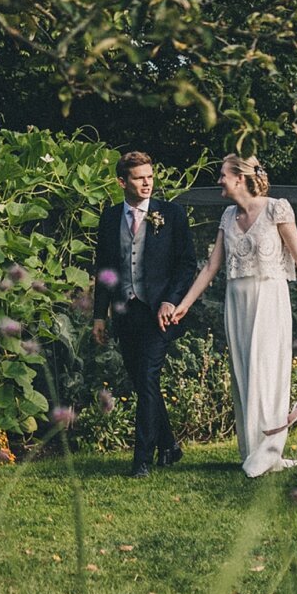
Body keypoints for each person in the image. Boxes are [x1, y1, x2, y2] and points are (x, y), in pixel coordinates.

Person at [162, 153, 297, 478]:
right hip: (237, 301)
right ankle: (253, 450)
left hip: (270, 298)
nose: (218, 180)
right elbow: (211, 267)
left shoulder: (277, 208)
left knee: (268, 371)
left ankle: (269, 451)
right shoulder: (227, 216)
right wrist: (185, 304)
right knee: (245, 371)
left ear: (239, 178)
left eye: (222, 174)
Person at [90, 151, 197, 476]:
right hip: (126, 312)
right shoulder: (109, 218)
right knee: (142, 382)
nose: (147, 182)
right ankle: (169, 445)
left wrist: (172, 300)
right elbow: (105, 270)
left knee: (148, 377)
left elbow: (186, 264)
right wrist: (99, 315)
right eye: (139, 177)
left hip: (159, 313)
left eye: (150, 176)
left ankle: (142, 462)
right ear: (122, 181)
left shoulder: (172, 214)